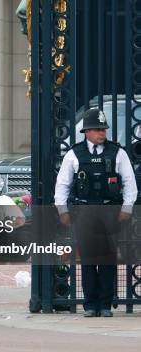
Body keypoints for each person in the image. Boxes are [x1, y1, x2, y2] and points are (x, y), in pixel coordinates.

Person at [55, 107, 138, 318]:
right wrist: (62, 210)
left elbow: (129, 183)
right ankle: (91, 304)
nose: (102, 133)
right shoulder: (75, 154)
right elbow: (62, 184)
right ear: (86, 131)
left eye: (103, 129)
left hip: (110, 210)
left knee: (108, 259)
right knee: (89, 259)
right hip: (84, 211)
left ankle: (106, 304)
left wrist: (127, 208)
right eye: (97, 129)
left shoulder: (118, 152)